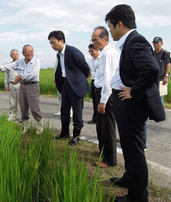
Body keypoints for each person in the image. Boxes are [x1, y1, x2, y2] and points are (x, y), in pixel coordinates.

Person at [105, 4, 165, 202]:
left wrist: (134, 92)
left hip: (131, 104)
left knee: (134, 149)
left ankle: (138, 197)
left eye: (111, 27)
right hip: (124, 102)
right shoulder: (129, 41)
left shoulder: (135, 41)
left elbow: (151, 69)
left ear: (120, 25)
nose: (110, 32)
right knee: (129, 147)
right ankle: (129, 178)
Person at [48, 30, 90, 146]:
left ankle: (76, 136)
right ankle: (65, 133)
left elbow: (85, 68)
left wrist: (79, 80)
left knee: (77, 112)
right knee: (64, 110)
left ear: (61, 41)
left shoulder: (73, 52)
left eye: (53, 42)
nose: (52, 45)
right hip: (65, 84)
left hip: (76, 85)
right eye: (50, 43)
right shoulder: (59, 54)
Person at [0, 45, 43, 134]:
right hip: (22, 86)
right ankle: (26, 126)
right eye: (27, 52)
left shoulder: (36, 62)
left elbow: (34, 74)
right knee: (23, 107)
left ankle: (40, 127)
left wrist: (21, 77)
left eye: (32, 51)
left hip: (32, 86)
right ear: (23, 53)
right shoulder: (19, 62)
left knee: (34, 107)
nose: (30, 53)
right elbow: (9, 66)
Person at [91, 26, 118, 168]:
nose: (93, 42)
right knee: (101, 125)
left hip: (106, 94)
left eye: (95, 39)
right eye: (92, 40)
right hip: (100, 92)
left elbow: (109, 79)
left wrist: (103, 101)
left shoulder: (109, 54)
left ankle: (110, 159)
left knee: (107, 127)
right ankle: (103, 151)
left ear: (105, 39)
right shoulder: (103, 53)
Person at [152, 36, 170, 104]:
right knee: (152, 95)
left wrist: (166, 76)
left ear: (161, 43)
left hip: (161, 78)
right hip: (152, 78)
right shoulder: (152, 53)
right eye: (154, 43)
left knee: (160, 96)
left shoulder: (165, 53)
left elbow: (168, 64)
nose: (155, 44)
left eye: (157, 43)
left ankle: (160, 112)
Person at [4, 49, 21, 122]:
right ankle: (12, 116)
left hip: (20, 84)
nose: (15, 55)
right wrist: (6, 84)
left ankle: (23, 117)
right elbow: (6, 76)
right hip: (11, 84)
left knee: (22, 102)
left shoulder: (22, 64)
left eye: (17, 54)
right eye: (14, 54)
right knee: (12, 102)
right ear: (11, 56)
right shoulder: (9, 65)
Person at [87, 44, 100, 124]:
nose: (91, 53)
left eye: (92, 50)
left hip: (101, 82)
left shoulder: (102, 59)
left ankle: (101, 118)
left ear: (97, 50)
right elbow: (88, 73)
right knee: (95, 100)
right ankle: (95, 118)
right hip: (93, 81)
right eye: (90, 51)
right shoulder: (90, 61)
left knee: (101, 101)